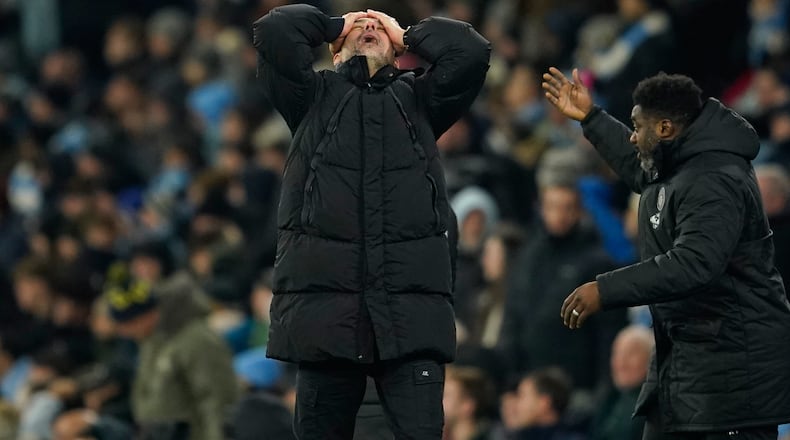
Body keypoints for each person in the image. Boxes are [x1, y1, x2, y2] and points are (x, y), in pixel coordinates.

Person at [252, 4, 490, 439]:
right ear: (335, 54)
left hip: (408, 319)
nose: (366, 27)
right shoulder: (310, 98)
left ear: (399, 54)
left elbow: (471, 52)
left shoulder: (420, 100)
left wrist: (408, 34)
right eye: (356, 29)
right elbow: (273, 30)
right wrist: (333, 25)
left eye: (375, 29)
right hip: (327, 322)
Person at [543, 67, 790, 439]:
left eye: (638, 126)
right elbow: (641, 172)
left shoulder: (714, 178)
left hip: (733, 379)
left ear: (664, 129)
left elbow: (695, 263)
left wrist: (605, 290)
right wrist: (592, 118)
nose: (632, 137)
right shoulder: (680, 165)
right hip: (693, 363)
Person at [106, 269, 238, 440]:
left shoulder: (197, 339)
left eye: (127, 325)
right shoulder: (152, 341)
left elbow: (219, 399)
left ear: (144, 316)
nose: (125, 333)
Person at [590, 325, 653, 440]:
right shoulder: (609, 399)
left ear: (652, 359)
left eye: (631, 354)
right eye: (617, 353)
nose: (621, 363)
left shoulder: (656, 407)